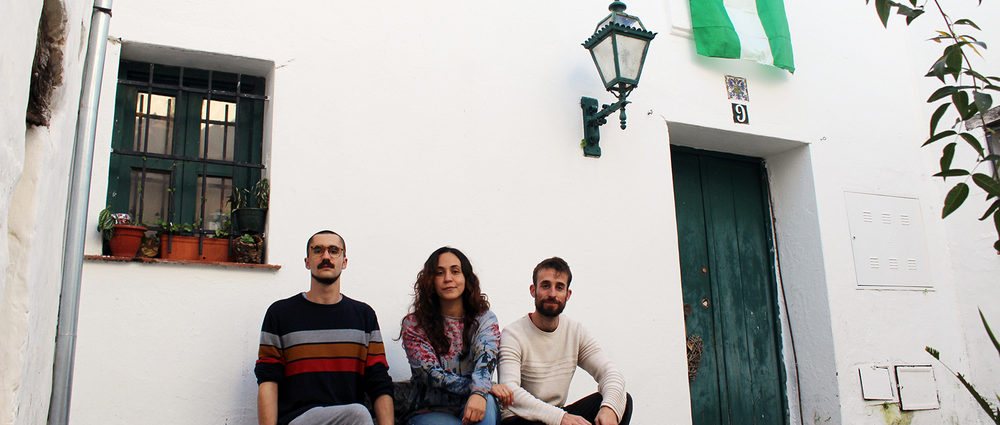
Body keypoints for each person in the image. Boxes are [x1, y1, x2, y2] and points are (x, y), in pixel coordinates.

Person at [255, 230, 394, 425]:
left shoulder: (364, 316)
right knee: (358, 414)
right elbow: (268, 379)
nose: (326, 256)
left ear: (344, 262)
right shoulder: (280, 314)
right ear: (307, 261)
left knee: (357, 414)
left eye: (334, 250)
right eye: (318, 250)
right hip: (297, 419)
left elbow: (378, 381)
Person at [498, 257, 632, 425]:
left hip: (558, 416)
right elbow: (510, 391)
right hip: (521, 419)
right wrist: (560, 418)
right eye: (545, 286)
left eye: (559, 287)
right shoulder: (513, 334)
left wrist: (609, 408)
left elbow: (611, 374)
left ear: (567, 294)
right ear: (533, 290)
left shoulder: (575, 331)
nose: (552, 294)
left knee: (621, 400)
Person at [400, 247, 514, 425]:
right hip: (429, 410)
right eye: (439, 273)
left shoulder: (484, 320)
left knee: (487, 403)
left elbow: (486, 361)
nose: (448, 279)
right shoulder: (414, 324)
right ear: (430, 280)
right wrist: (482, 388)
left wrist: (479, 393)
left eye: (455, 271)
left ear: (466, 278)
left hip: (476, 403)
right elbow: (431, 375)